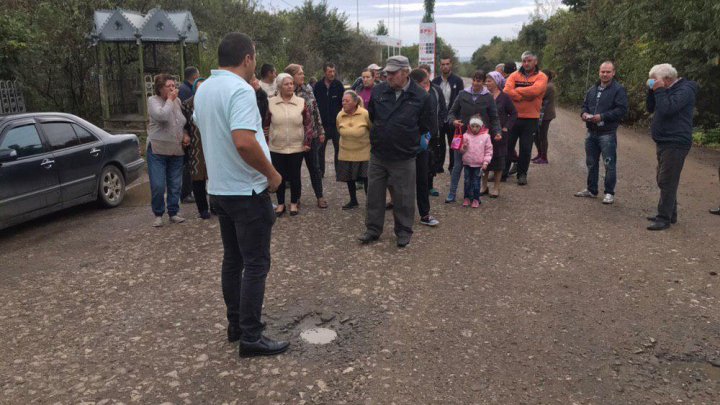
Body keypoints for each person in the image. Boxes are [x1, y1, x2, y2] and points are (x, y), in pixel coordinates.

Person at [192, 32, 288, 357]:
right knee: (256, 264)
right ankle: (251, 336)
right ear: (247, 58)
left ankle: (235, 325)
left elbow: (206, 129)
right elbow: (244, 141)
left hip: (219, 190)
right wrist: (272, 174)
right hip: (246, 191)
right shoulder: (240, 91)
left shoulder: (204, 89)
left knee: (233, 260)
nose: (255, 64)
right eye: (254, 57)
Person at [358, 55, 432, 248]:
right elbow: (373, 115)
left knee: (403, 196)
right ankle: (373, 229)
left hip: (404, 155)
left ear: (405, 73)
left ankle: (403, 231)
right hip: (379, 153)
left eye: (393, 73)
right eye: (387, 73)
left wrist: (407, 138)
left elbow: (425, 125)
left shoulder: (420, 96)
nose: (388, 77)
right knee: (374, 194)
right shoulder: (379, 91)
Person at [645, 63, 698, 230]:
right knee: (663, 179)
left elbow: (668, 109)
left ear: (668, 80)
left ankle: (663, 218)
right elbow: (651, 108)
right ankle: (671, 213)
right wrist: (652, 91)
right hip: (663, 140)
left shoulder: (685, 90)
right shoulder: (665, 89)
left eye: (656, 80)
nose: (653, 82)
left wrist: (659, 90)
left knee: (667, 180)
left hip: (676, 141)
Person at [574, 61, 628, 205]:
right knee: (591, 163)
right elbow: (584, 105)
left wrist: (602, 116)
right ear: (599, 72)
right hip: (591, 132)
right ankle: (591, 190)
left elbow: (621, 110)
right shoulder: (593, 89)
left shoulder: (618, 90)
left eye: (608, 72)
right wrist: (584, 114)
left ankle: (609, 193)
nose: (604, 74)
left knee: (609, 164)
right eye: (602, 71)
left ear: (613, 73)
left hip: (607, 133)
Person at [446, 70, 501, 203]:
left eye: (479, 81)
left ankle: (473, 195)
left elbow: (494, 117)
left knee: (475, 168)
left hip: (480, 138)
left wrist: (497, 131)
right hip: (462, 135)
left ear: (483, 82)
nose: (476, 83)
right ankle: (452, 193)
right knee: (457, 166)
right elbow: (451, 113)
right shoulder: (462, 94)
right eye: (474, 80)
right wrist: (453, 121)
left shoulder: (488, 97)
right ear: (472, 80)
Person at [267, 73, 313, 216]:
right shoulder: (271, 102)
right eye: (286, 84)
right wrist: (266, 142)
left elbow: (308, 123)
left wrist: (307, 141)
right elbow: (265, 124)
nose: (290, 86)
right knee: (278, 176)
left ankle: (294, 203)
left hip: (296, 146)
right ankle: (280, 204)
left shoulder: (301, 102)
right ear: (280, 86)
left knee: (295, 176)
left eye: (292, 84)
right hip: (276, 147)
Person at [146, 74, 187, 227]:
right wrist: (170, 100)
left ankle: (173, 212)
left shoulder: (178, 101)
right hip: (157, 149)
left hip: (176, 148)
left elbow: (181, 121)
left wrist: (185, 134)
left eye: (174, 85)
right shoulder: (152, 101)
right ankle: (158, 214)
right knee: (158, 184)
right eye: (169, 86)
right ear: (160, 88)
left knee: (175, 183)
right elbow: (162, 116)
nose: (172, 88)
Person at [284, 64, 328, 208]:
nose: (303, 76)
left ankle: (320, 196)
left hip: (311, 135)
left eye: (303, 73)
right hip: (294, 136)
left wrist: (320, 130)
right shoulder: (286, 92)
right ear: (291, 76)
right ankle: (296, 198)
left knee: (314, 167)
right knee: (294, 169)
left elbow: (315, 110)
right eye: (299, 74)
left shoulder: (308, 89)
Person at [504, 51, 548, 185]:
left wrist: (516, 93)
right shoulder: (514, 75)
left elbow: (536, 91)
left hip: (531, 118)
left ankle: (522, 174)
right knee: (507, 146)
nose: (526, 63)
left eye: (529, 61)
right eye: (524, 61)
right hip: (513, 117)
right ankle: (503, 173)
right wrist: (523, 95)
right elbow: (506, 91)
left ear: (535, 62)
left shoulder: (542, 77)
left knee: (526, 148)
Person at [409, 68, 440, 227]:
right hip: (406, 147)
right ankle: (404, 215)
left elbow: (432, 119)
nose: (426, 87)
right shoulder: (405, 98)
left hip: (422, 146)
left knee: (422, 180)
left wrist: (428, 136)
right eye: (424, 84)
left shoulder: (428, 97)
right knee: (404, 182)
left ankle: (425, 214)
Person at [181, 77, 211, 219]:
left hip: (213, 143)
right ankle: (203, 208)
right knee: (198, 177)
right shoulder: (187, 105)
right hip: (196, 145)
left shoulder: (213, 102)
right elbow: (183, 125)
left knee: (215, 176)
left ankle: (217, 206)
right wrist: (185, 134)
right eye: (198, 87)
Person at [336, 90, 371, 209]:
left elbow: (372, 129)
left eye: (347, 101)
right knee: (349, 179)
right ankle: (353, 200)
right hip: (346, 151)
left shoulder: (365, 114)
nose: (344, 103)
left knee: (366, 178)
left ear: (355, 102)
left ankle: (370, 202)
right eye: (343, 101)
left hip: (363, 152)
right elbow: (338, 128)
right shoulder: (340, 115)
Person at [484, 71, 516, 198]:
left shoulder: (505, 97)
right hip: (484, 134)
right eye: (486, 81)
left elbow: (513, 113)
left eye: (489, 81)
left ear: (497, 82)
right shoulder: (484, 95)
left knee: (498, 159)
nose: (487, 83)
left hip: (499, 134)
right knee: (484, 159)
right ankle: (484, 185)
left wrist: (507, 127)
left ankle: (496, 187)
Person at [419, 64, 448, 198]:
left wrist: (439, 125)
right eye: (421, 74)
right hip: (418, 133)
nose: (423, 77)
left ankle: (430, 186)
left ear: (429, 74)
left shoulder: (436, 90)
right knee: (418, 160)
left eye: (425, 73)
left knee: (431, 160)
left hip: (433, 133)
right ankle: (418, 187)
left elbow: (443, 109)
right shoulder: (415, 90)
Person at [432, 57, 465, 173]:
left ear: (451, 65)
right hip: (439, 117)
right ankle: (438, 166)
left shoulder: (458, 81)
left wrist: (458, 117)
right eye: (443, 64)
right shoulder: (435, 81)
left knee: (453, 143)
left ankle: (453, 166)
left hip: (453, 118)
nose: (445, 66)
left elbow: (461, 100)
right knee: (439, 143)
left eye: (447, 64)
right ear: (440, 66)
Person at [314, 62, 345, 178]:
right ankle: (320, 172)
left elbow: (343, 104)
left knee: (339, 149)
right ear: (324, 72)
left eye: (333, 71)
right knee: (320, 150)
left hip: (336, 124)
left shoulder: (338, 85)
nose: (332, 74)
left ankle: (339, 173)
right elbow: (314, 105)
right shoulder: (318, 86)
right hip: (323, 125)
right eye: (329, 72)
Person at [460, 117, 493, 208]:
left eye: (477, 126)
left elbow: (488, 151)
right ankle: (466, 197)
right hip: (467, 163)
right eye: (473, 126)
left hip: (478, 164)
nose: (474, 128)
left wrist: (486, 162)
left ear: (481, 126)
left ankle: (476, 198)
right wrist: (464, 147)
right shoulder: (466, 135)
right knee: (467, 181)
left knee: (476, 182)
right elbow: (461, 150)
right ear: (469, 126)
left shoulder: (486, 137)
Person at [179, 66, 201, 203]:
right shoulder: (186, 92)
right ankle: (186, 193)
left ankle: (187, 191)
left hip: (187, 132)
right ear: (194, 77)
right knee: (188, 165)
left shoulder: (182, 89)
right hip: (189, 134)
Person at [532, 69, 556, 164]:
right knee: (537, 135)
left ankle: (544, 157)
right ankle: (540, 154)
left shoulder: (548, 86)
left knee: (542, 135)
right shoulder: (546, 85)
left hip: (546, 114)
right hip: (541, 114)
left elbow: (536, 95)